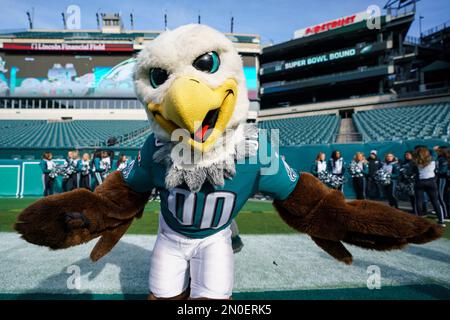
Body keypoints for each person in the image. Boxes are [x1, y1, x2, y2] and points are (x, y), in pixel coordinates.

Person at [412, 147, 445, 226]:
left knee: (418, 201)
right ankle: (441, 221)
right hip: (431, 182)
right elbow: (434, 152)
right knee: (435, 201)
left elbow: (413, 171)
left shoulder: (415, 161)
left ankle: (419, 220)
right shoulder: (432, 159)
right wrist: (432, 149)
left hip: (420, 182)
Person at [436, 146, 449, 219]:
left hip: (442, 179)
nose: (437, 151)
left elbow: (442, 171)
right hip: (439, 179)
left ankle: (445, 213)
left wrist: (435, 171)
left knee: (441, 197)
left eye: (439, 150)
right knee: (440, 197)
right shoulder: (439, 158)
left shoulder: (444, 159)